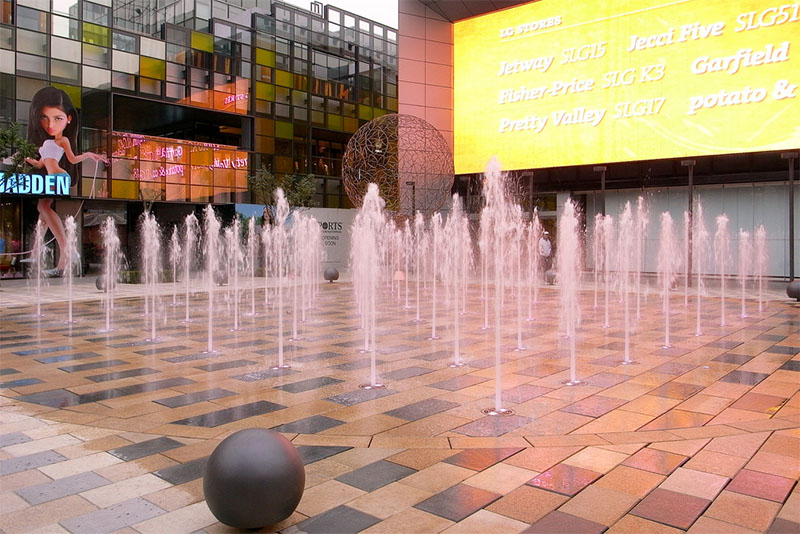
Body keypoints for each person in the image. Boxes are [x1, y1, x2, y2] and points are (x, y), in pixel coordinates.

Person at [24, 87, 107, 276]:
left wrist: (88, 154)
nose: (50, 125)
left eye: (57, 118)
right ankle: (38, 252)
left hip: (59, 176)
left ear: (69, 119)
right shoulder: (46, 143)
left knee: (43, 207)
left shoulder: (64, 141)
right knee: (43, 211)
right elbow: (40, 164)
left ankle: (67, 251)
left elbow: (72, 159)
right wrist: (25, 158)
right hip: (50, 176)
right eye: (44, 118)